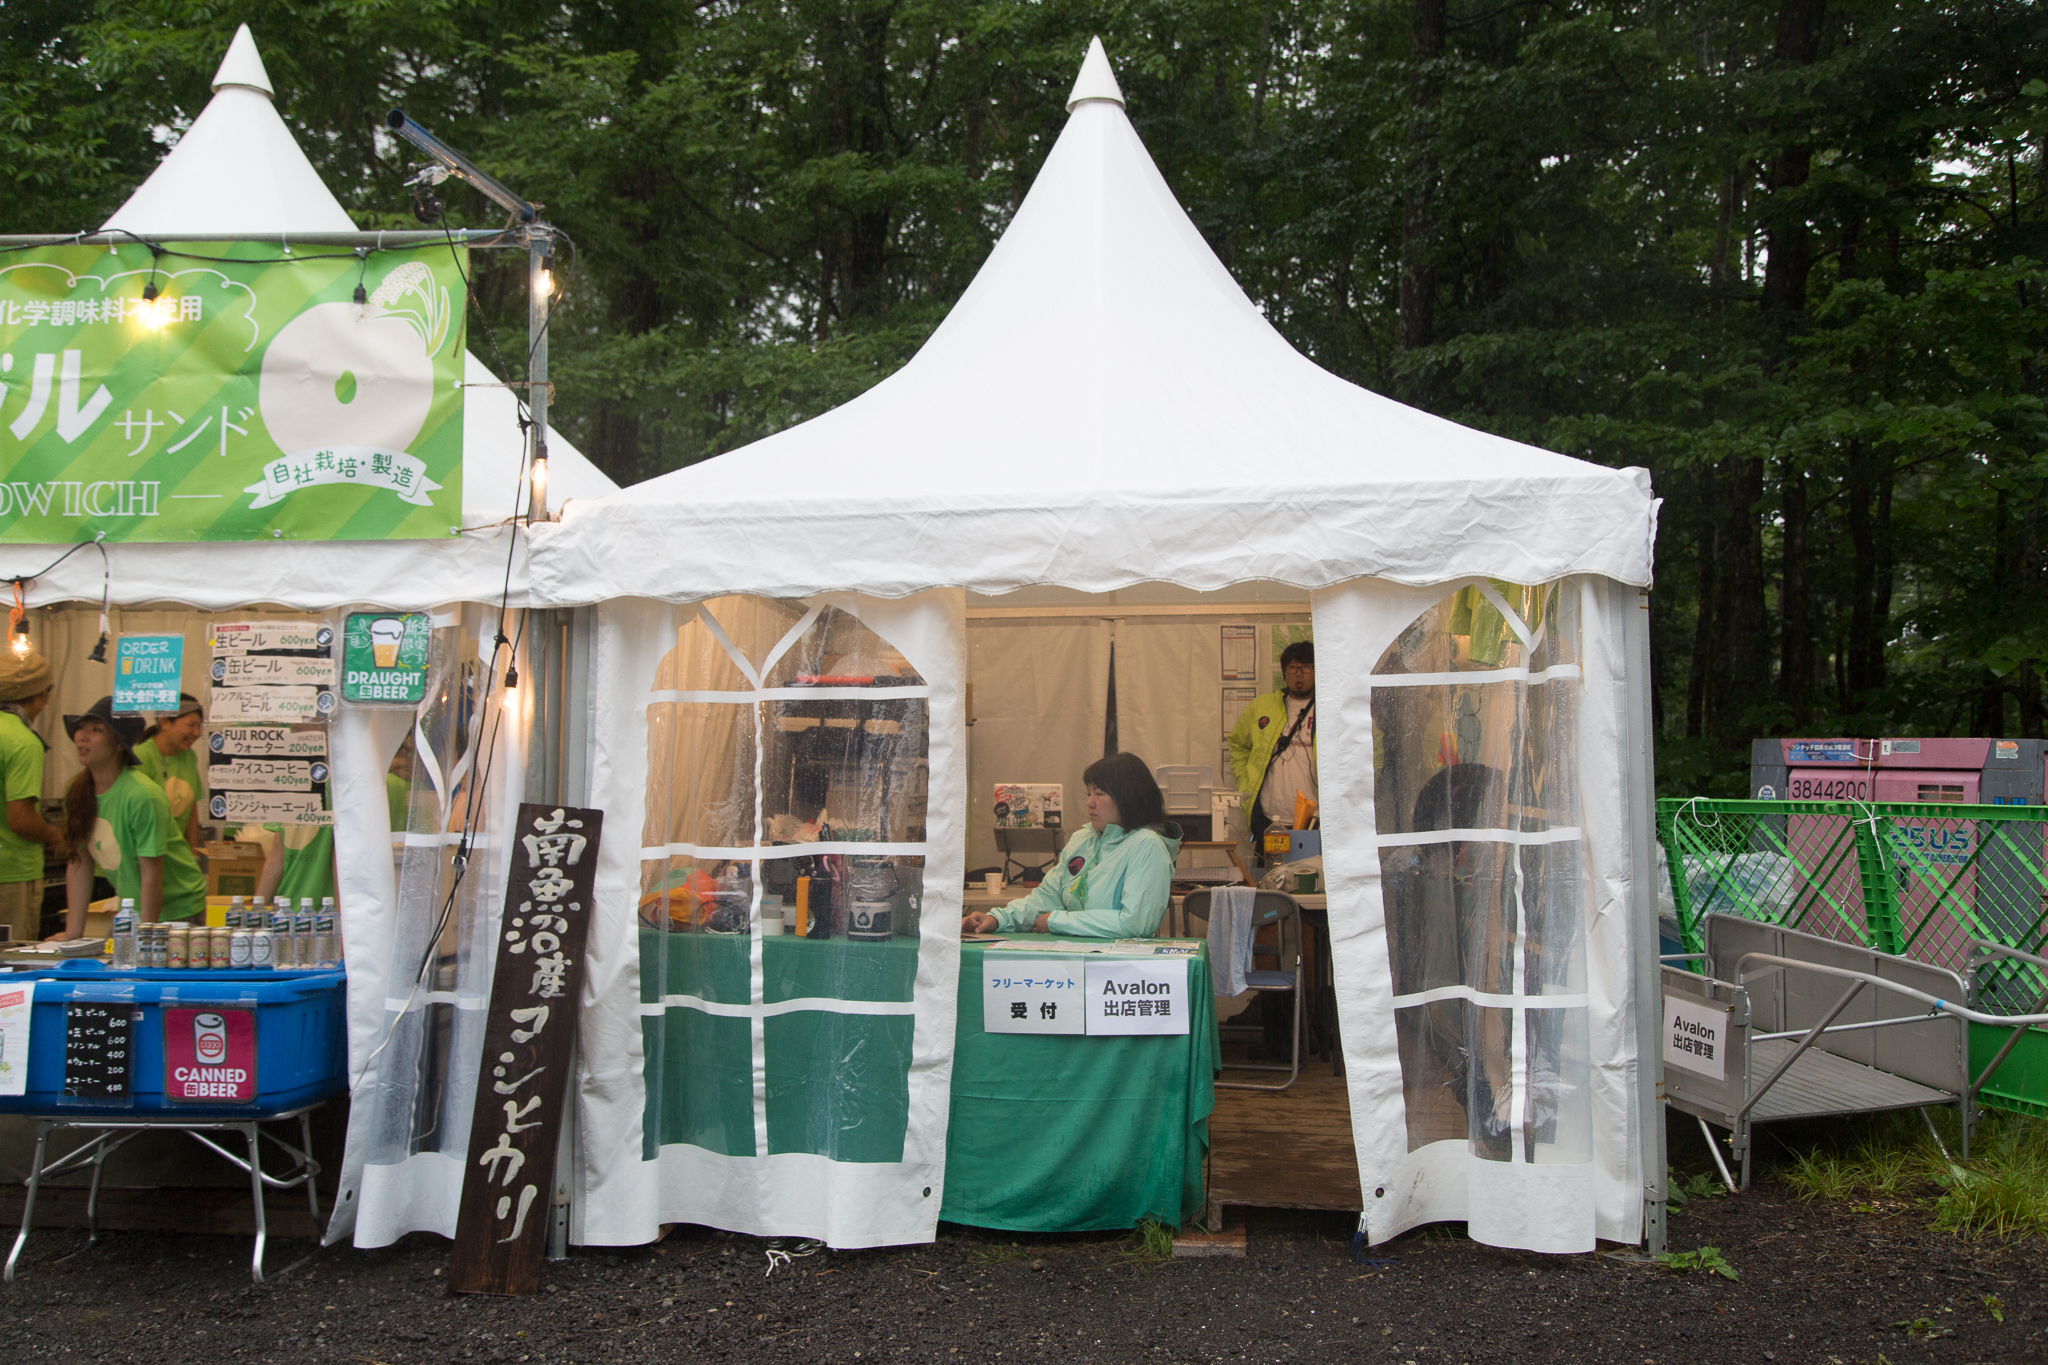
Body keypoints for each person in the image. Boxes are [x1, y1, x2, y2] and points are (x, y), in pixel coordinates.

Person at [962, 752, 1182, 939]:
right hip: (1074, 957)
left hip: (1120, 967)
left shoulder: (1147, 846)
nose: (1090, 802)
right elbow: (1047, 897)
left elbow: (1136, 924)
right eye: (1088, 793)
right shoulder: (1083, 839)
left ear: (1129, 798)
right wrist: (996, 919)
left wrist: (1059, 921)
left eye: (1099, 794)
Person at [53, 696, 206, 937]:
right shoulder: (77, 791)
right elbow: (79, 863)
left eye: (96, 729)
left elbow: (151, 874)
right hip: (131, 906)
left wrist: (146, 937)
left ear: (118, 744)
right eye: (81, 727)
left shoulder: (142, 795)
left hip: (177, 907)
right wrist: (72, 935)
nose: (82, 736)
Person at [0, 648, 63, 943]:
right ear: (42, 695)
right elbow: (21, 820)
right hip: (10, 874)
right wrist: (55, 836)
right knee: (9, 959)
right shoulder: (22, 742)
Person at [1227, 640, 1317, 838]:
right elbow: (1238, 744)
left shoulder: (1329, 709)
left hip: (1316, 820)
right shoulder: (1263, 706)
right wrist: (1245, 781)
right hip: (1271, 820)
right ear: (1284, 673)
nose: (1299, 674)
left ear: (1317, 671)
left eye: (1306, 667)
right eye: (1292, 667)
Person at [136, 692, 205, 854]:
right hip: (147, 853)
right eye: (191, 725)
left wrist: (193, 853)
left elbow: (191, 809)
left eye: (199, 726)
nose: (197, 733)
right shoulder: (141, 757)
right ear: (165, 722)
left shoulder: (188, 756)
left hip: (177, 854)